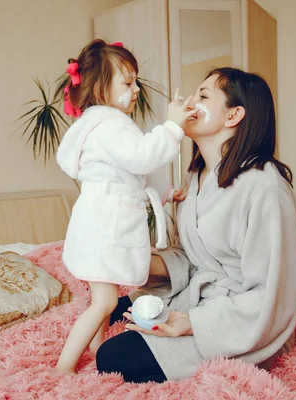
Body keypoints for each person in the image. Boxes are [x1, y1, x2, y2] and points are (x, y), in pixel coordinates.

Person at [95, 67, 296, 383]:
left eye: (203, 96)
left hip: (241, 320)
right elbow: (191, 257)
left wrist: (192, 322)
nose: (189, 103)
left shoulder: (265, 188)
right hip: (202, 296)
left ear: (234, 115)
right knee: (114, 307)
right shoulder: (196, 178)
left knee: (111, 356)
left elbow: (271, 292)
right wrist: (131, 258)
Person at [54, 39, 196, 374]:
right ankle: (63, 367)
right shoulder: (110, 125)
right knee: (104, 302)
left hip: (98, 222)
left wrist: (167, 192)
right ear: (101, 88)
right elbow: (144, 156)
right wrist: (173, 127)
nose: (135, 91)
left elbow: (134, 173)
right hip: (105, 226)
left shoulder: (97, 125)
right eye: (128, 83)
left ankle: (98, 347)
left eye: (136, 82)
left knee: (105, 295)